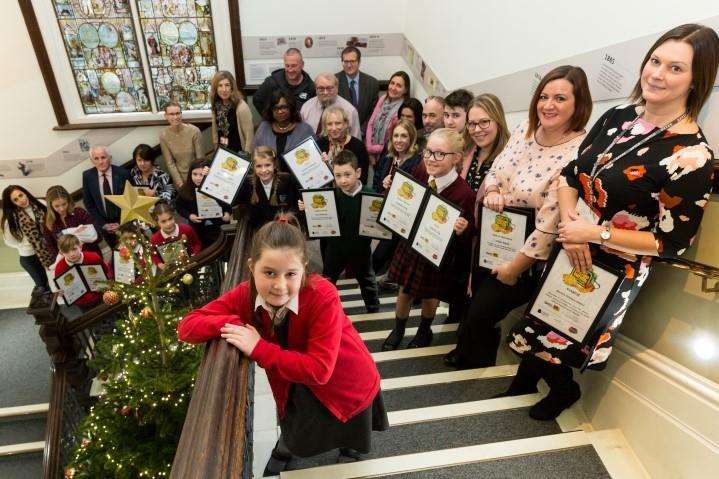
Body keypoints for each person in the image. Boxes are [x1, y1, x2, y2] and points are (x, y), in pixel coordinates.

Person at [503, 24, 718, 421]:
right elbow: (570, 174)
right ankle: (529, 372)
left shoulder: (692, 155)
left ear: (696, 80)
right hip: (573, 239)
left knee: (569, 331)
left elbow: (672, 242)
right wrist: (571, 228)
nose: (656, 74)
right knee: (545, 312)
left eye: (675, 69)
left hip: (614, 263)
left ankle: (563, 390)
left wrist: (593, 233)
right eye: (655, 61)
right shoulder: (617, 117)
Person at [177, 214, 388, 475]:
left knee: (350, 426)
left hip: (344, 377)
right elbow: (187, 326)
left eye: (291, 274)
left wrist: (258, 347)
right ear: (251, 266)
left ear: (304, 269)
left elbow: (320, 370)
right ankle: (287, 447)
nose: (279, 286)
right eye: (269, 273)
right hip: (292, 376)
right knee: (294, 418)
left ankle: (351, 450)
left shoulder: (323, 294)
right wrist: (235, 324)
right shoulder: (246, 294)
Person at [445, 65, 593, 373]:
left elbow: (551, 222)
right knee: (473, 309)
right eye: (544, 96)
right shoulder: (525, 130)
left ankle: (478, 367)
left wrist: (514, 269)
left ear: (578, 104)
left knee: (483, 313)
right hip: (494, 240)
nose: (548, 105)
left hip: (529, 259)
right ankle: (475, 359)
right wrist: (495, 188)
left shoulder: (580, 150)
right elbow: (498, 168)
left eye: (560, 98)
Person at [381, 129, 475, 350]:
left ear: (456, 158)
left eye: (440, 154)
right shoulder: (421, 170)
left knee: (430, 296)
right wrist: (391, 188)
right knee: (404, 290)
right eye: (428, 152)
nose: (431, 159)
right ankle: (399, 328)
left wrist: (464, 228)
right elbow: (407, 197)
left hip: (436, 253)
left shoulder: (464, 193)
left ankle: (425, 330)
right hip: (410, 244)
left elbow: (470, 233)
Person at [299, 151, 380, 313]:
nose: (343, 180)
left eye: (347, 174)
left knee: (367, 280)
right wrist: (308, 209)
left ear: (358, 173)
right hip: (335, 248)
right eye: (338, 175)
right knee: (328, 280)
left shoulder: (371, 196)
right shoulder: (329, 197)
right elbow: (320, 219)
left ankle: (373, 307)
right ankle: (321, 308)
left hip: (361, 249)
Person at [371, 119, 423, 289]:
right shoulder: (388, 159)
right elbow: (376, 185)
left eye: (404, 136)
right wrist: (383, 184)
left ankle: (384, 280)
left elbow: (414, 195)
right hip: (383, 211)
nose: (399, 140)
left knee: (379, 256)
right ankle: (386, 278)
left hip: (401, 218)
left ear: (411, 139)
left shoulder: (416, 163)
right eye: (396, 136)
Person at [1, 185, 57, 292]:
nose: (21, 200)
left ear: (25, 192)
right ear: (12, 203)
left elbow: (53, 222)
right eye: (15, 200)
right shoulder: (11, 218)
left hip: (50, 248)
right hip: (30, 256)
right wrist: (26, 244)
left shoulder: (41, 203)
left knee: (57, 277)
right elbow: (9, 241)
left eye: (21, 195)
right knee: (43, 286)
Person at [235, 146, 297, 233]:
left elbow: (294, 206)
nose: (263, 170)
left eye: (267, 165)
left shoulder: (286, 180)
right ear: (253, 167)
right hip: (257, 232)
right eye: (259, 166)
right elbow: (232, 200)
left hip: (282, 231)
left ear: (274, 165)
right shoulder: (247, 183)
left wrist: (288, 216)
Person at [175, 160, 232, 248]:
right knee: (205, 247)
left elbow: (227, 203)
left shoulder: (217, 185)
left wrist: (228, 213)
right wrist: (190, 216)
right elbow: (179, 206)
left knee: (226, 246)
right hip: (198, 228)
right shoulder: (185, 189)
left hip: (220, 225)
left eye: (201, 175)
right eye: (194, 174)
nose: (198, 178)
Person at [82, 145, 131, 249]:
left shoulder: (123, 174)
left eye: (103, 157)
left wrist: (121, 223)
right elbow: (89, 204)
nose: (100, 162)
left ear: (110, 158)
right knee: (118, 256)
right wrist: (102, 224)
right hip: (105, 227)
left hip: (125, 224)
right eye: (96, 158)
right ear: (92, 161)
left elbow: (131, 202)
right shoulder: (87, 176)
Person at [462, 94, 511, 191]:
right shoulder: (465, 151)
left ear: (498, 121)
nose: (476, 129)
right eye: (471, 124)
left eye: (484, 122)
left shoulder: (510, 159)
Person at [54, 234, 111, 309]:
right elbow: (61, 288)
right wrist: (60, 292)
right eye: (66, 251)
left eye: (74, 249)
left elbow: (108, 273)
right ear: (61, 253)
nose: (71, 254)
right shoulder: (59, 268)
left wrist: (106, 284)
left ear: (80, 246)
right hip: (81, 303)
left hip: (101, 295)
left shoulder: (93, 257)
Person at [254, 90, 314, 161]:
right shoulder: (264, 127)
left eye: (284, 107)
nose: (280, 111)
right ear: (271, 110)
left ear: (291, 107)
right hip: (268, 171)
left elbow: (313, 157)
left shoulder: (305, 130)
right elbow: (256, 155)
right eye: (275, 108)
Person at [315, 106, 369, 184]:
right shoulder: (319, 144)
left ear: (346, 124)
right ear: (325, 126)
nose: (333, 128)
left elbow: (362, 179)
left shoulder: (358, 146)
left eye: (338, 123)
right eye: (329, 124)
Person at [365, 71, 410, 164]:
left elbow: (393, 142)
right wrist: (368, 147)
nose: (393, 88)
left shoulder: (402, 110)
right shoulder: (383, 99)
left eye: (398, 85)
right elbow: (371, 123)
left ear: (405, 90)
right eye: (392, 83)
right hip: (371, 150)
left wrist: (372, 149)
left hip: (387, 155)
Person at [253, 48, 316, 114]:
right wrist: (269, 119)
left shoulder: (310, 86)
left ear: (302, 65)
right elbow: (257, 100)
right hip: (277, 123)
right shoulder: (272, 82)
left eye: (293, 66)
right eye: (287, 66)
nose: (290, 70)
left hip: (300, 123)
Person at [45, 185, 102, 257]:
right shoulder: (50, 222)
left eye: (64, 204)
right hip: (70, 261)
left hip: (91, 254)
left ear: (68, 201)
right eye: (57, 206)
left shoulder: (79, 212)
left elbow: (98, 236)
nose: (62, 209)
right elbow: (51, 246)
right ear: (50, 206)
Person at [300, 73, 361, 138]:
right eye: (321, 88)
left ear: (337, 88)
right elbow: (301, 135)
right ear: (315, 89)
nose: (325, 92)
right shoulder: (306, 107)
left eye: (329, 88)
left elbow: (356, 141)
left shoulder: (349, 111)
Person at [160, 102, 204, 189]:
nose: (175, 117)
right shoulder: (163, 135)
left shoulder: (194, 131)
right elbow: (170, 163)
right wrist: (180, 185)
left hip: (197, 177)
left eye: (177, 113)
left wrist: (197, 179)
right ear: (166, 116)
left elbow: (200, 160)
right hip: (179, 179)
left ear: (181, 114)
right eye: (171, 114)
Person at [336, 46, 379, 133]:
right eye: (346, 61)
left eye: (352, 61)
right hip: (340, 133)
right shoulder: (334, 82)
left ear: (359, 62)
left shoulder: (372, 83)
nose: (349, 65)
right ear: (342, 62)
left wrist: (361, 131)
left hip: (364, 133)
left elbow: (373, 112)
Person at [209, 71, 254, 155]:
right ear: (215, 88)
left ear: (232, 87)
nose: (224, 90)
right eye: (220, 85)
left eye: (227, 85)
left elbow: (249, 136)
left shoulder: (241, 107)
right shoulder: (216, 105)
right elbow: (215, 132)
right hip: (222, 152)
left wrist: (246, 156)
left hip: (239, 153)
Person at [150, 201, 202, 269]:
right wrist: (159, 264)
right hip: (172, 269)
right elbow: (154, 255)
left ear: (174, 216)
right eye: (163, 221)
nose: (168, 224)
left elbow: (197, 244)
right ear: (157, 222)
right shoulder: (154, 238)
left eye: (170, 219)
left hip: (192, 264)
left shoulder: (186, 229)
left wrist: (194, 255)